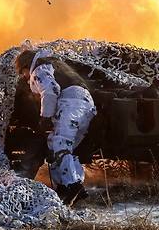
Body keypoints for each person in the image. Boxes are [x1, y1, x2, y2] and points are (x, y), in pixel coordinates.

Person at [14, 49, 97, 205]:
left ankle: (73, 186)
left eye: (22, 72)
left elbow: (51, 91)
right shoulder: (54, 64)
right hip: (84, 104)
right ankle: (66, 186)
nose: (24, 77)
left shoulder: (39, 69)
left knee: (60, 143)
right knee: (60, 146)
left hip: (71, 103)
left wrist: (44, 118)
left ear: (26, 66)